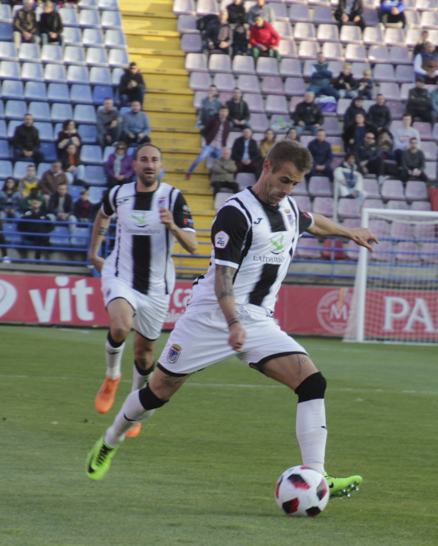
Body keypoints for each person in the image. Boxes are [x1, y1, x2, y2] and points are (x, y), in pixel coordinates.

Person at [85, 147, 373, 503]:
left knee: (312, 382)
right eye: (283, 180)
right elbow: (223, 278)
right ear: (266, 167)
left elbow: (312, 221)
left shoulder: (288, 208)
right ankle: (109, 441)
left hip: (258, 321)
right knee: (157, 393)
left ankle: (317, 476)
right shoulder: (236, 213)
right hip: (210, 318)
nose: (287, 189)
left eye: (295, 184)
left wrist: (350, 232)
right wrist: (233, 322)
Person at [185, 106, 231, 179]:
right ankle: (189, 172)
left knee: (218, 164)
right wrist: (207, 139)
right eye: (222, 111)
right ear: (219, 112)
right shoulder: (213, 120)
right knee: (200, 158)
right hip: (210, 145)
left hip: (219, 147)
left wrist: (224, 146)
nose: (223, 113)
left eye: (225, 111)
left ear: (227, 113)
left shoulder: (227, 124)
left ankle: (213, 179)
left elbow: (226, 136)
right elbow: (205, 130)